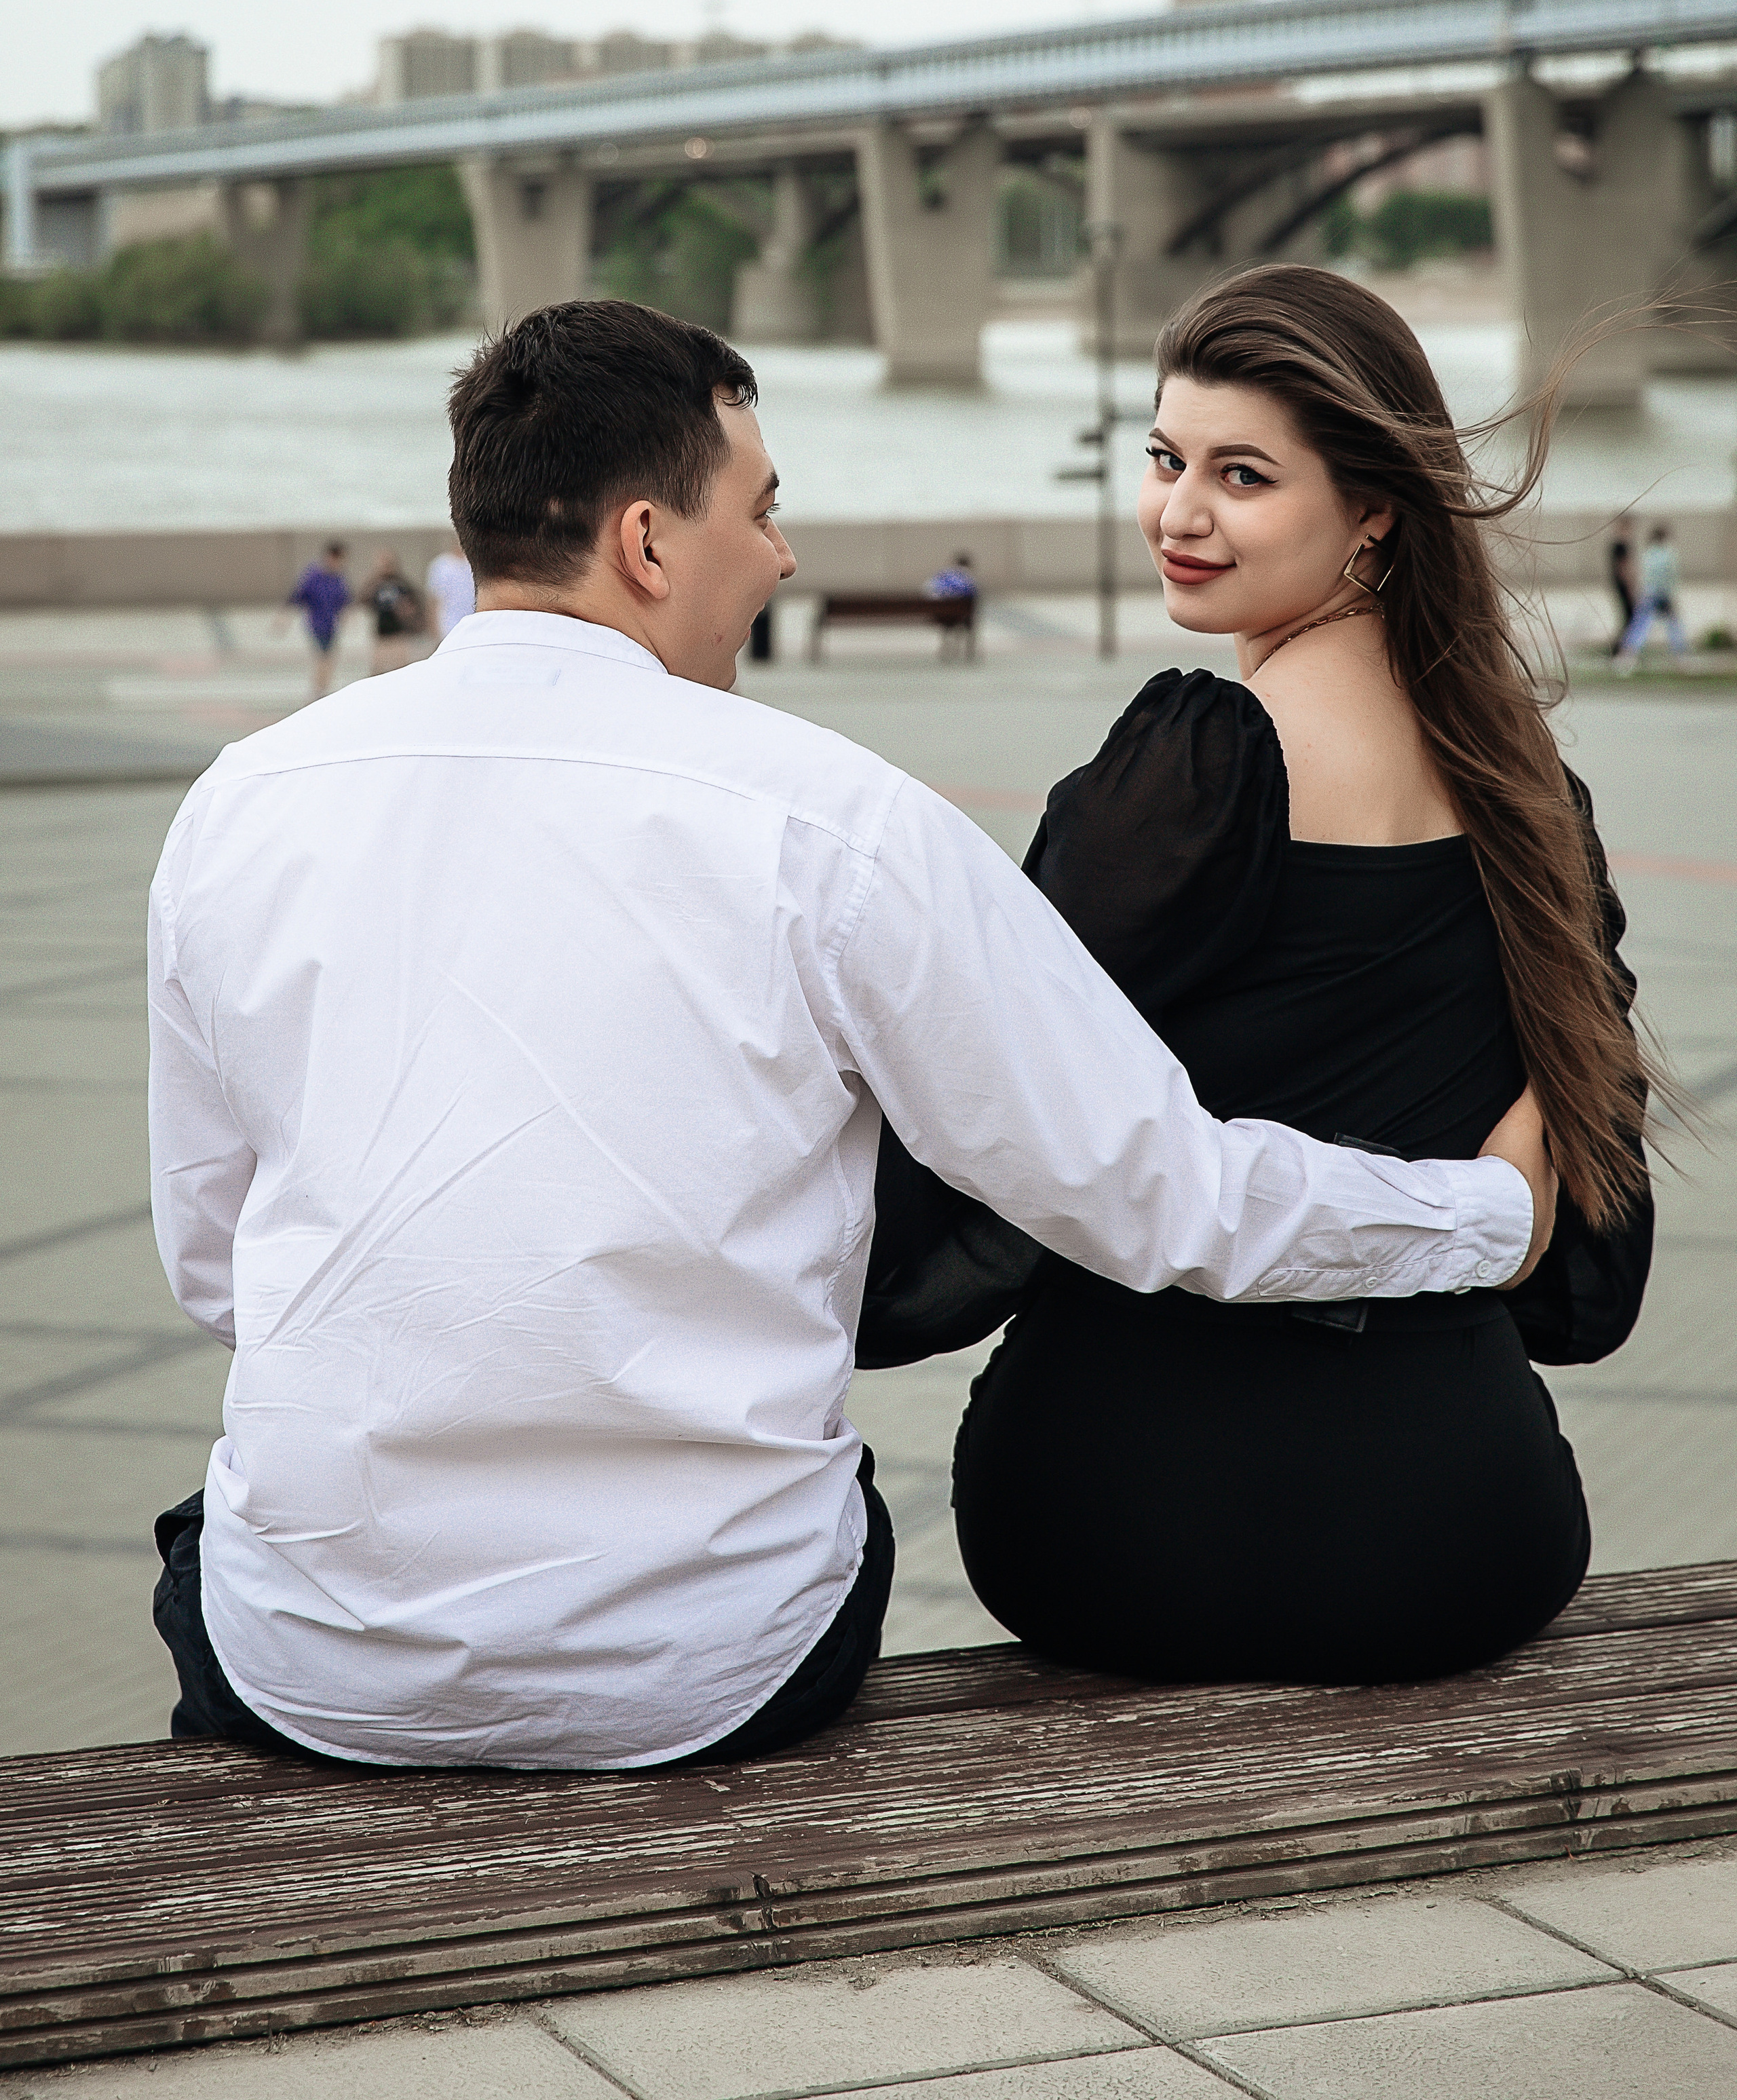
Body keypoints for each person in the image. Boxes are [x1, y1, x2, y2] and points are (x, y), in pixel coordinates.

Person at [147, 299, 1548, 1777]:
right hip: (711, 1666)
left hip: (313, 1660)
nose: (782, 554)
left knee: (229, 1543)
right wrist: (1485, 1212)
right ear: (645, 544)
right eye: (760, 508)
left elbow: (212, 1262)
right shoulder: (838, 823)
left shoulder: (242, 803)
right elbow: (1159, 1194)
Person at [865, 265, 1657, 1687]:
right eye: (1163, 459)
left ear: (1370, 511)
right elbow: (1583, 1255)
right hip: (1459, 1535)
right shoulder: (1521, 782)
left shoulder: (1193, 765)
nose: (1177, 513)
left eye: (1240, 475)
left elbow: (980, 1135)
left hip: (1118, 1529)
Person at [275, 541, 349, 700]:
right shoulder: (314, 576)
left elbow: (344, 601)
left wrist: (345, 617)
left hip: (331, 625)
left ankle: (323, 689)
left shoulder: (338, 578)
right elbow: (298, 596)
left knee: (329, 659)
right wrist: (284, 617)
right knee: (323, 658)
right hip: (317, 623)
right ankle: (319, 692)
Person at [1616, 522, 1688, 666]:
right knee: (1673, 625)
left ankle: (1628, 652)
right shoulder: (1669, 553)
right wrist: (1670, 593)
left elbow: (1645, 575)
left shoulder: (1649, 553)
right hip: (1662, 593)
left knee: (1641, 624)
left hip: (1649, 592)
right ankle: (1680, 654)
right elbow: (1671, 576)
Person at [362, 550, 428, 674]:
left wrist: (406, 610)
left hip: (399, 633)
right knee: (377, 672)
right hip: (381, 633)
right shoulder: (376, 584)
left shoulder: (401, 583)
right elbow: (364, 600)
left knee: (401, 671)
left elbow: (415, 601)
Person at [425, 542, 476, 642]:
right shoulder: (441, 565)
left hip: (472, 624)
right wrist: (434, 630)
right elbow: (433, 600)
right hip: (447, 625)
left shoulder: (474, 564)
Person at [1607, 515, 1636, 656]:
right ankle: (1619, 648)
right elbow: (1623, 569)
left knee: (1628, 618)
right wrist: (1631, 587)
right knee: (1629, 617)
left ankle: (1621, 648)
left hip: (1620, 585)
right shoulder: (1621, 546)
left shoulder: (1619, 545)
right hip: (1623, 586)